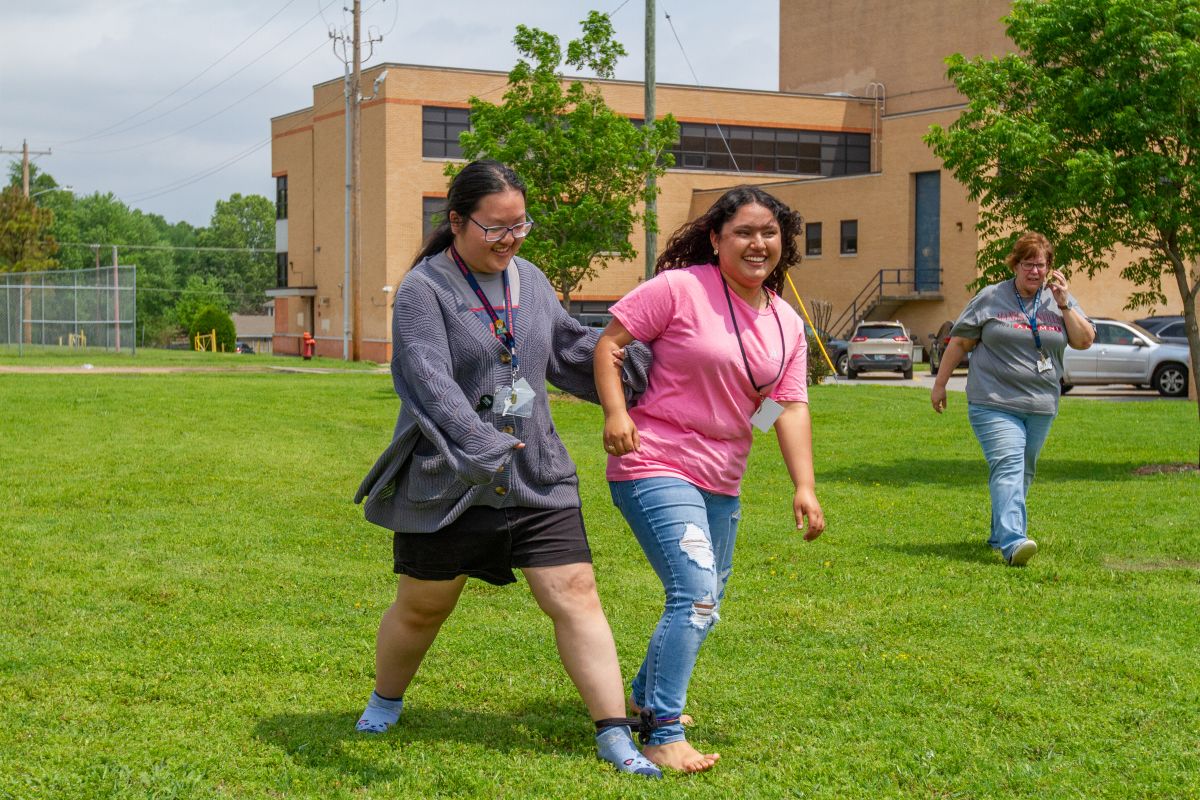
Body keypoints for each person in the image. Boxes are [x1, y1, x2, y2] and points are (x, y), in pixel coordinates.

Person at [353, 160, 660, 778]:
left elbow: (567, 348)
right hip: (450, 478)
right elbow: (428, 382)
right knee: (423, 606)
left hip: (539, 474)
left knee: (576, 593)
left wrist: (644, 362)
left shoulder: (532, 280)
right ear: (457, 221)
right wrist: (480, 443)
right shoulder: (423, 290)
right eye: (496, 228)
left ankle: (613, 734)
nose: (511, 239)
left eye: (520, 225)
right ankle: (385, 699)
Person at [593, 185, 826, 773]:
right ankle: (662, 731)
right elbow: (610, 343)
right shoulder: (680, 288)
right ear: (717, 239)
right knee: (695, 594)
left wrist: (803, 485)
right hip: (655, 460)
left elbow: (786, 405)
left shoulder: (786, 322)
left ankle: (644, 697)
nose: (758, 243)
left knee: (708, 599)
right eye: (743, 232)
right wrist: (617, 413)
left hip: (723, 477)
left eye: (769, 233)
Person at [931, 231, 1095, 566]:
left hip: (1040, 405)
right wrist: (940, 384)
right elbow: (960, 342)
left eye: (1041, 265)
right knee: (1008, 464)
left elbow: (1084, 341)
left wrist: (1065, 303)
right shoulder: (991, 297)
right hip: (993, 401)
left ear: (1050, 268)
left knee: (1022, 472)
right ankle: (1013, 542)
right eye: (1028, 264)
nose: (1034, 271)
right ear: (1015, 265)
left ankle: (998, 534)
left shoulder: (1059, 300)